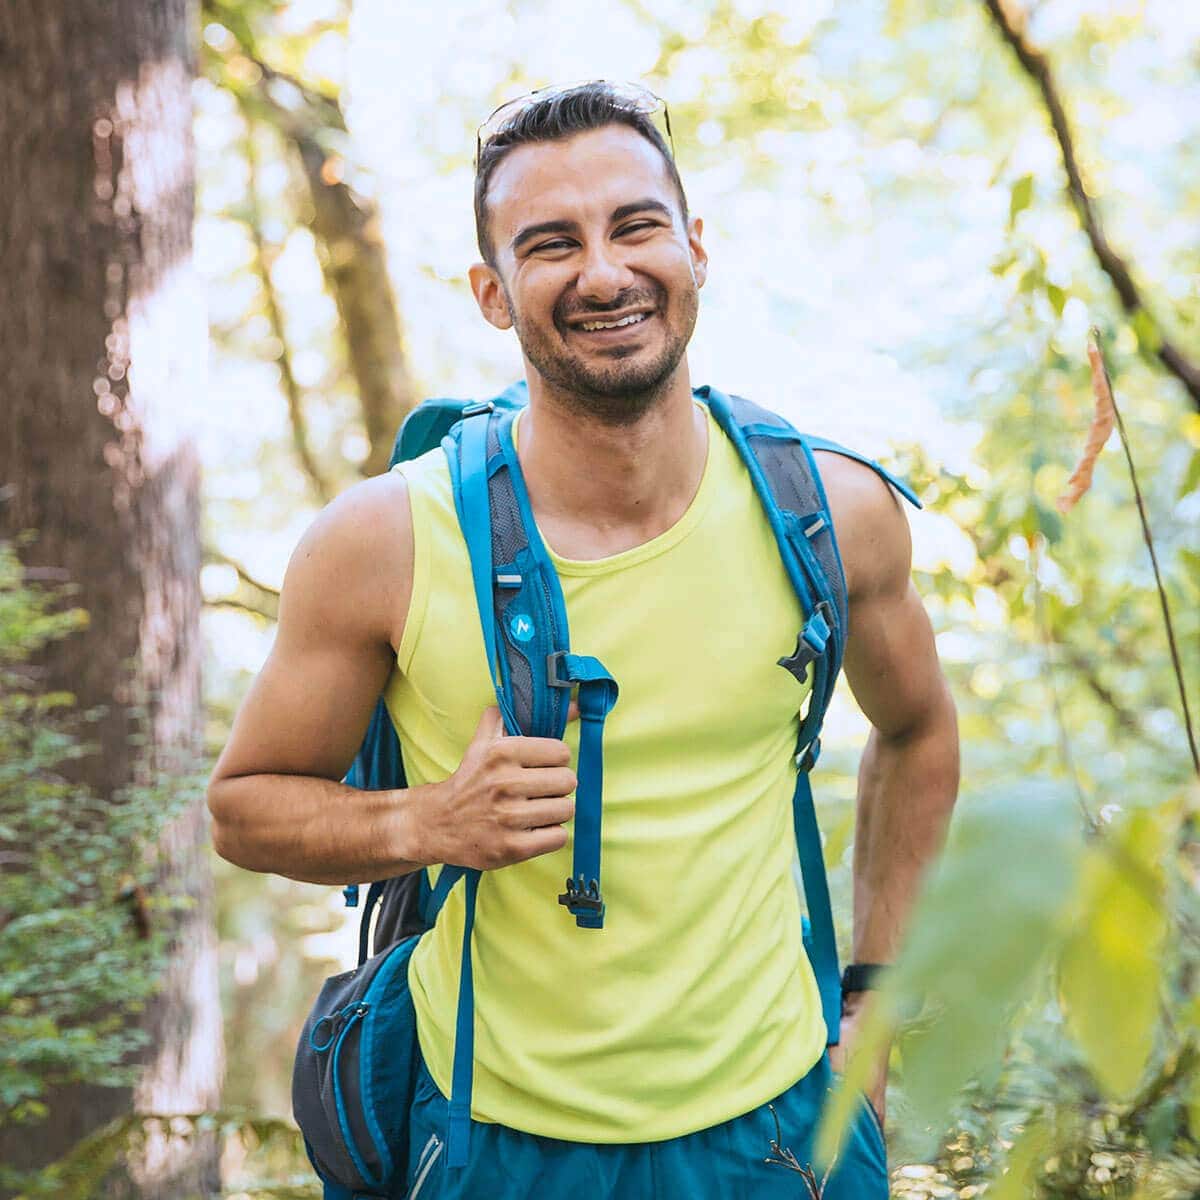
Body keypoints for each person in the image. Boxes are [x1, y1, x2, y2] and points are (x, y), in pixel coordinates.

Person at [208, 81, 959, 1200]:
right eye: (550, 244)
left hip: (784, 1130)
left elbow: (920, 729)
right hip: (496, 1143)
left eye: (636, 226)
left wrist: (876, 999)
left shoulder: (831, 511)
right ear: (492, 293)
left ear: (696, 248)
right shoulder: (385, 542)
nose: (604, 273)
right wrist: (429, 820)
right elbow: (245, 806)